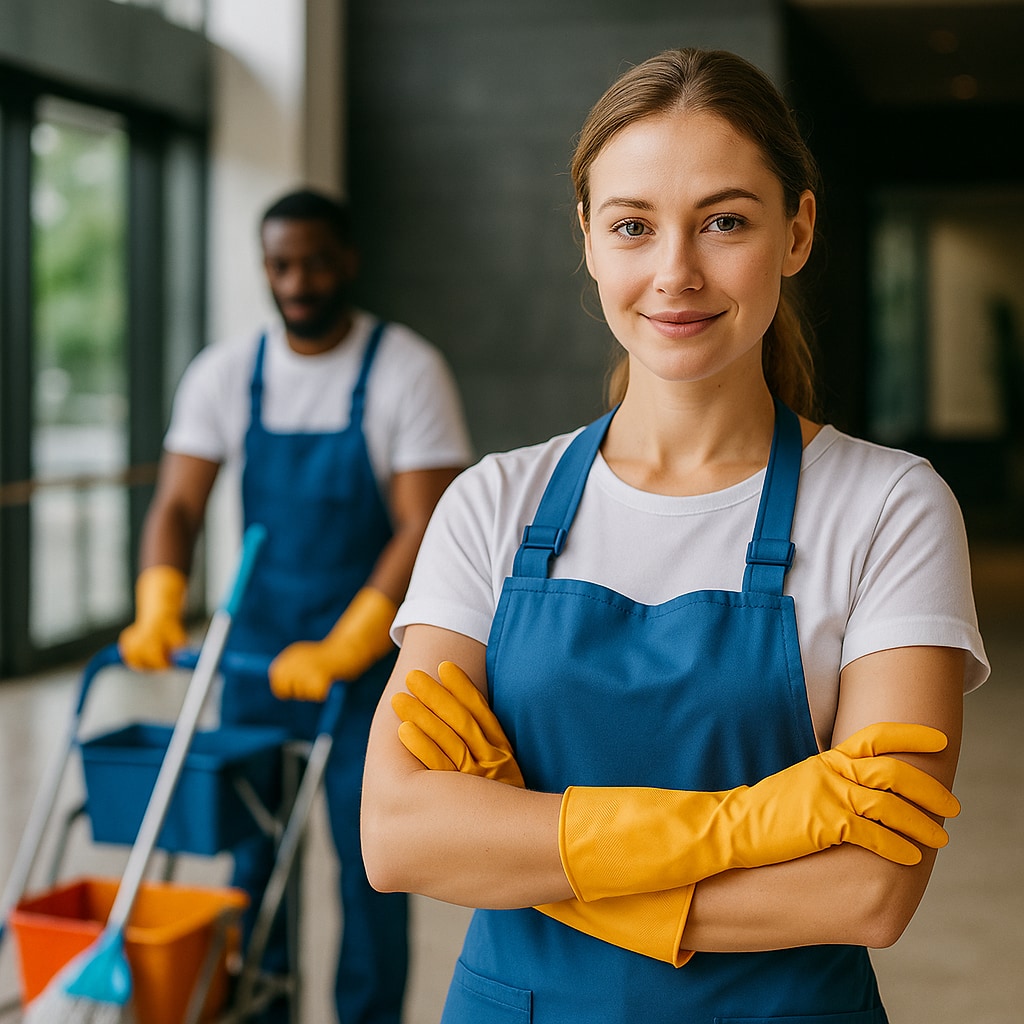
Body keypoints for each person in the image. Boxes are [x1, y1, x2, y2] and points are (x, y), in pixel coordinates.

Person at [359, 48, 990, 1023]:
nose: (674, 273)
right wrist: (738, 826)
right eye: (632, 226)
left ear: (797, 230)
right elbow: (398, 835)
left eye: (724, 221)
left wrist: (518, 845)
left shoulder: (889, 507)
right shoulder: (494, 502)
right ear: (587, 239)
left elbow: (866, 890)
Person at [119, 188, 472, 1024]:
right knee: (253, 862)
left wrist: (350, 643)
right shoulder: (226, 372)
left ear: (346, 261)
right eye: (282, 264)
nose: (299, 281)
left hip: (369, 672)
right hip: (257, 661)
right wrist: (158, 597)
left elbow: (427, 521)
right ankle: (258, 1012)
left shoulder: (403, 369)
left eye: (315, 261)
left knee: (372, 865)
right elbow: (177, 504)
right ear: (265, 268)